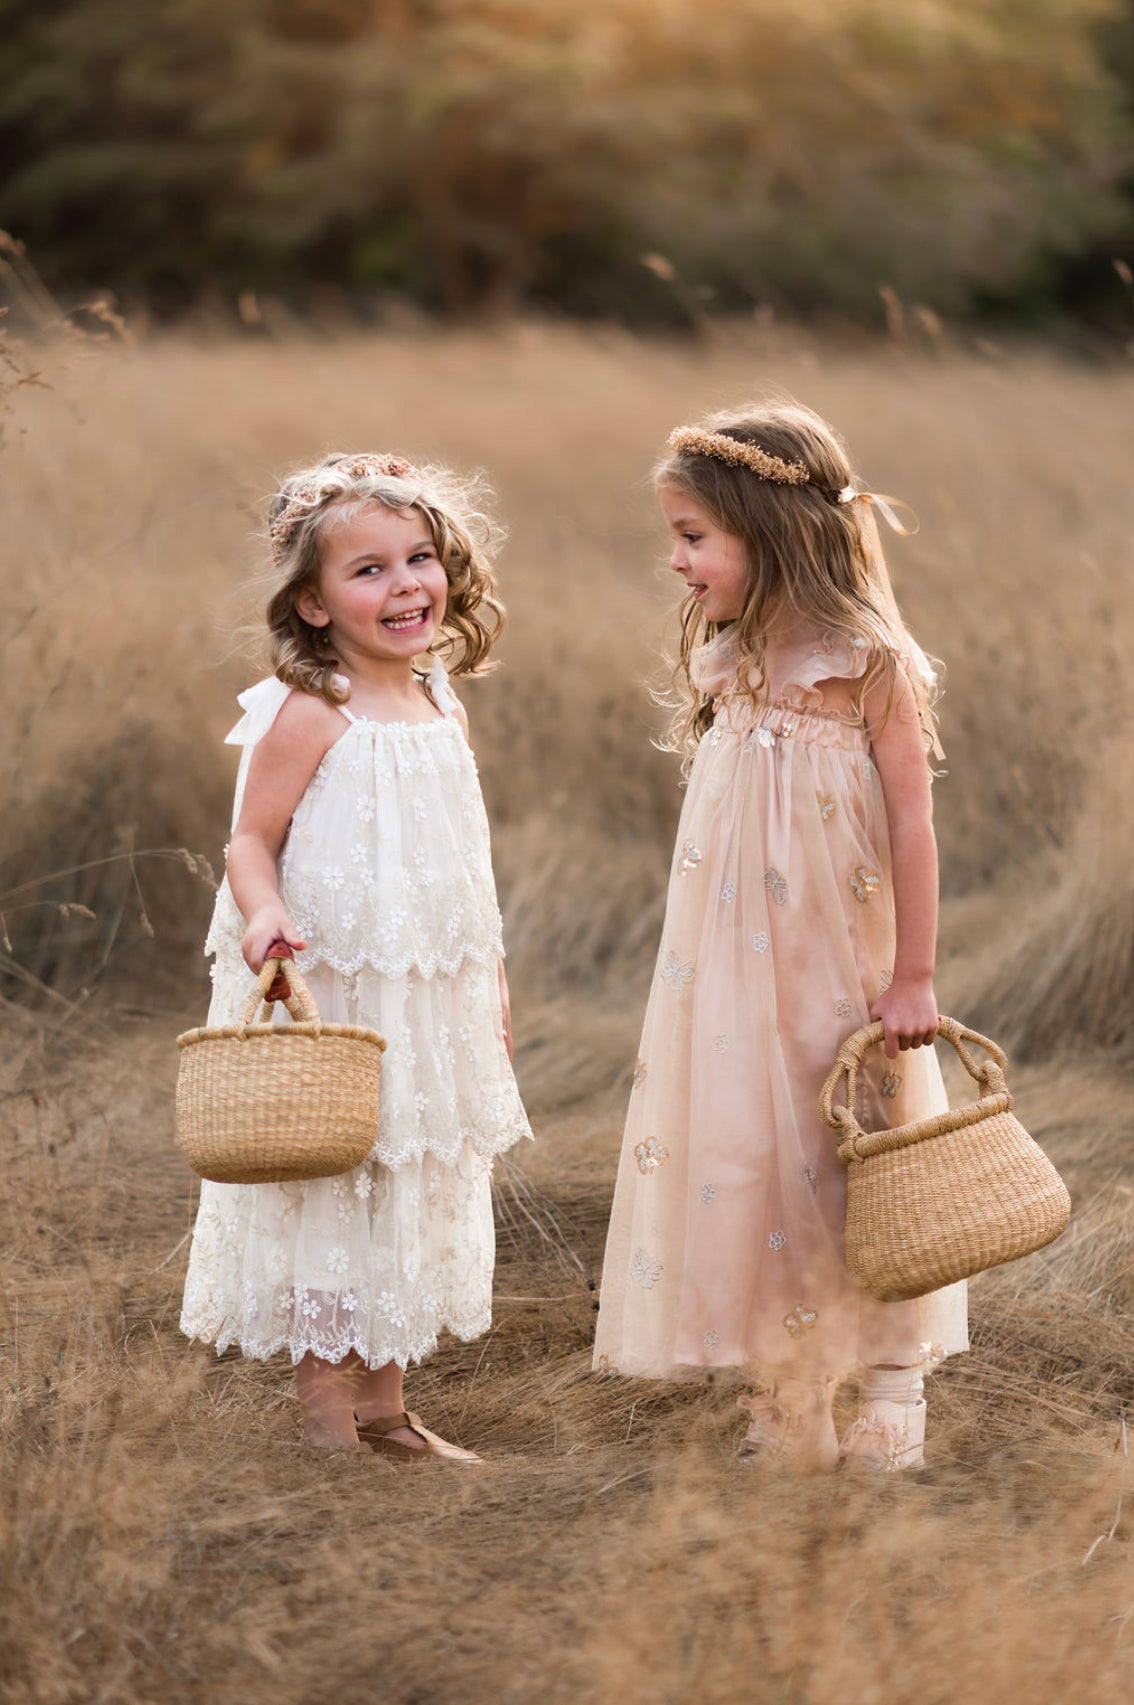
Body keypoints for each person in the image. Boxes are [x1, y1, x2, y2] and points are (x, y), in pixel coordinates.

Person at [592, 404, 967, 1472]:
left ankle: (895, 1379)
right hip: (730, 971)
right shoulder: (734, 653)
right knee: (751, 1156)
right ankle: (784, 1389)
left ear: (771, 529)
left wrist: (915, 976)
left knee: (857, 1156)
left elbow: (909, 826)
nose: (676, 560)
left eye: (694, 536)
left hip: (838, 964)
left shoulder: (869, 660)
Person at [181, 452, 531, 1458]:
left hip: (425, 992)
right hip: (331, 981)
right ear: (315, 603)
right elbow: (250, 839)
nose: (405, 585)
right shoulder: (311, 708)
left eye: (418, 558)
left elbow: (464, 863)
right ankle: (330, 1420)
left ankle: (390, 1409)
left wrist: (486, 979)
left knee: (410, 1183)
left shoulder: (439, 703)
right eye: (367, 569)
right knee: (332, 1180)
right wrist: (261, 919)